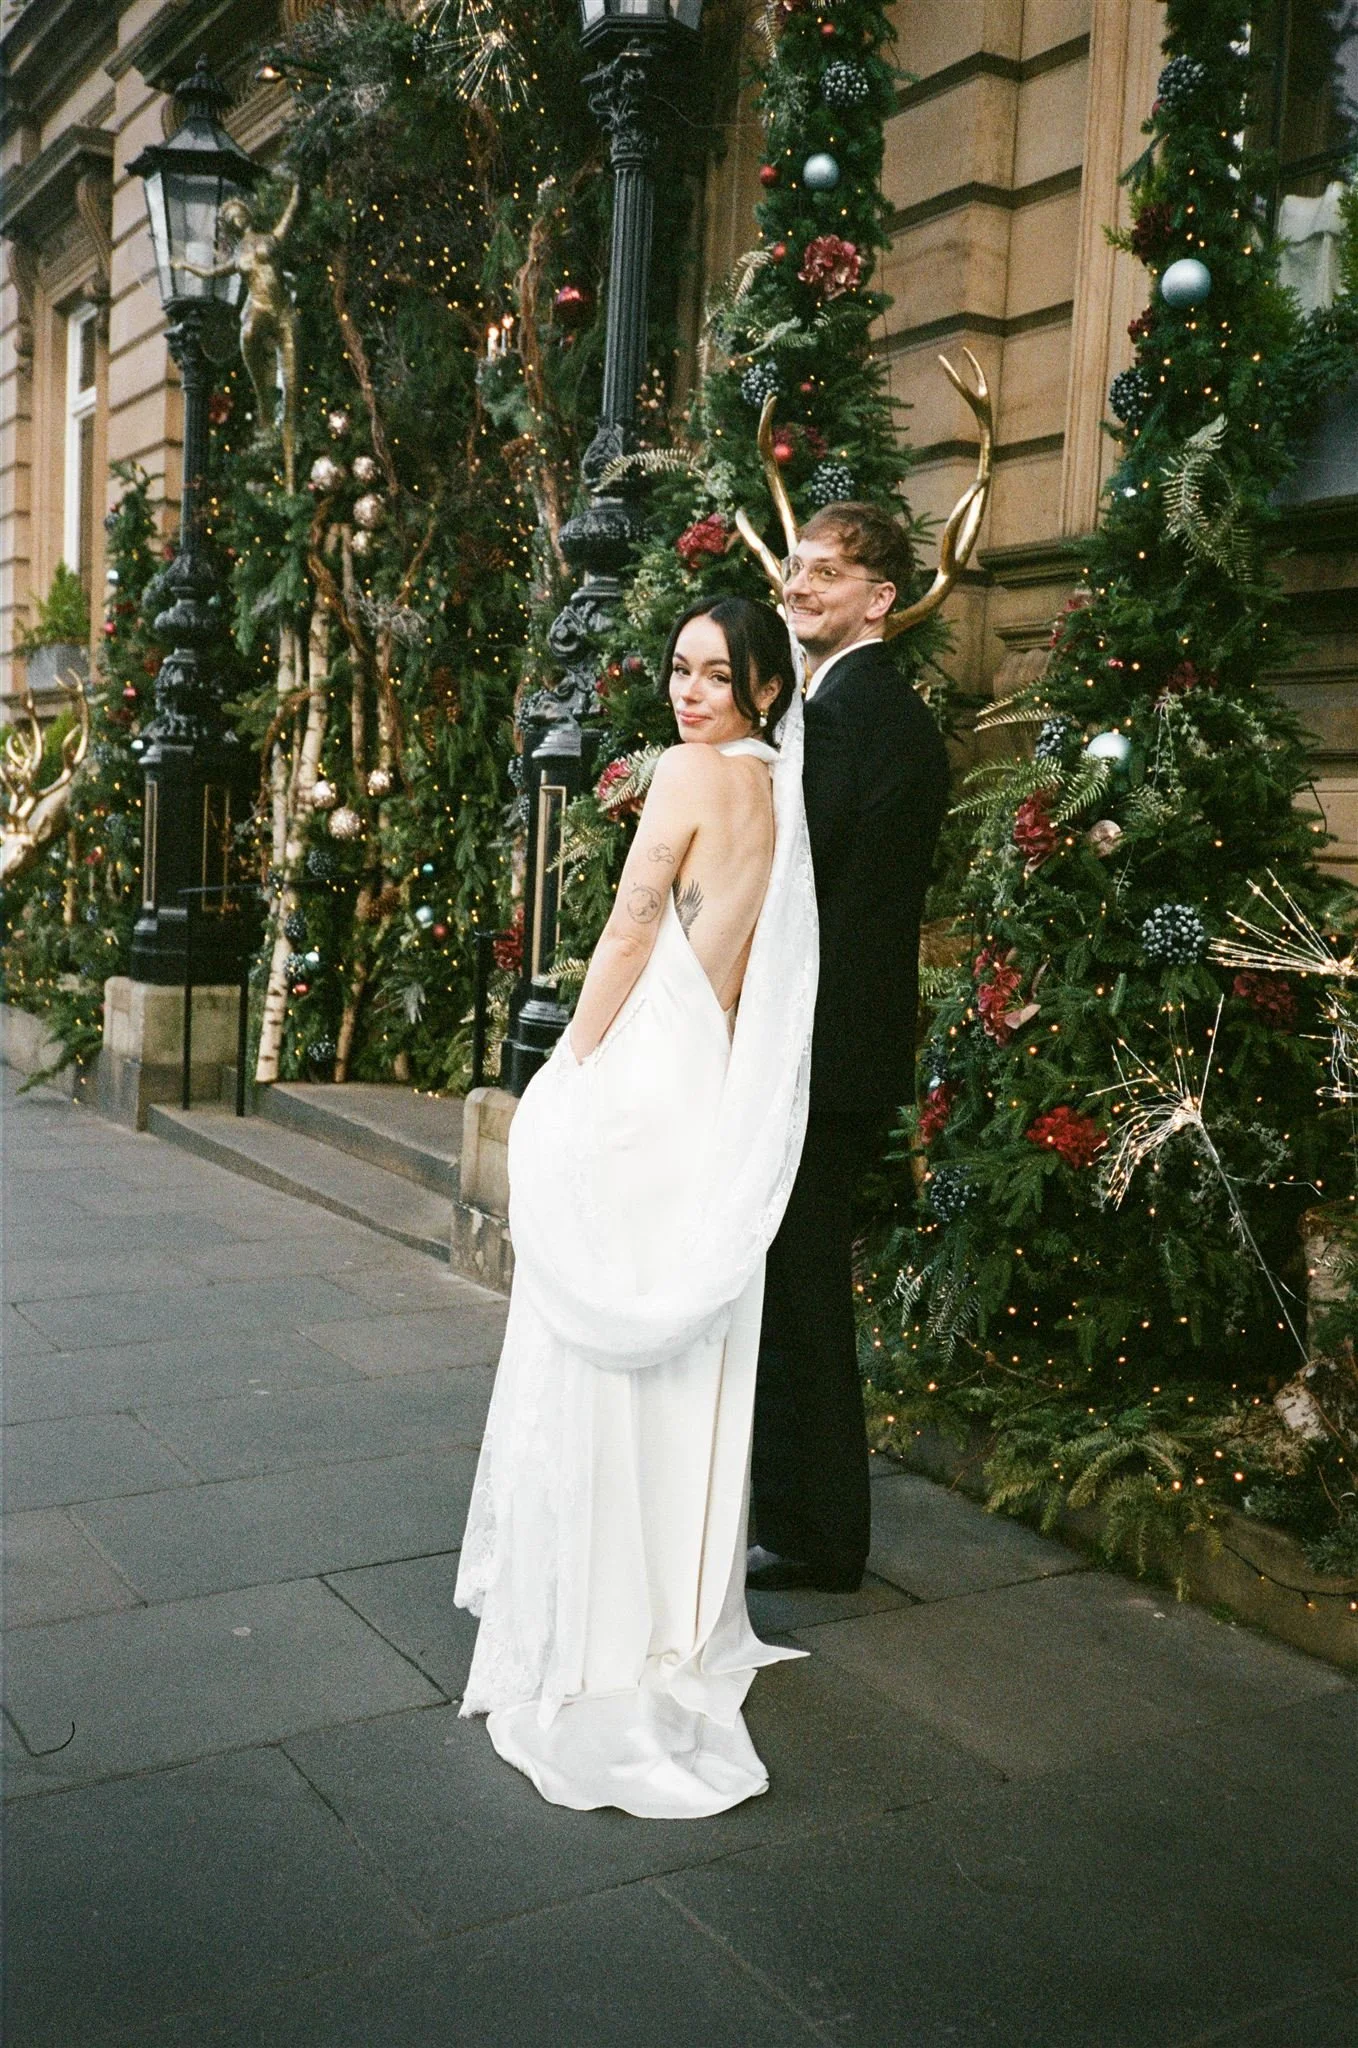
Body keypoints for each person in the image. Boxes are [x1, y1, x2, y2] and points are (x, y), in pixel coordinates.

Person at [456, 596, 818, 1819]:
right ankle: (670, 1606)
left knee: (599, 1328)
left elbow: (628, 923)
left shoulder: (686, 773)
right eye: (678, 669)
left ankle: (599, 1612)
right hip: (708, 1076)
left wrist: (569, 1063)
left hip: (645, 1073)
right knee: (679, 1341)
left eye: (717, 674)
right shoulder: (775, 789)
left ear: (763, 687)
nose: (688, 691)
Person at [748, 502, 949, 1594]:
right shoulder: (856, 708)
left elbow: (798, 892)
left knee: (799, 1288)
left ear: (880, 599)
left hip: (817, 1046)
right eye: (794, 563)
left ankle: (816, 1534)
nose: (799, 581)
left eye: (827, 570)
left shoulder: (850, 714)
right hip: (842, 1043)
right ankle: (806, 1519)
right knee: (797, 1280)